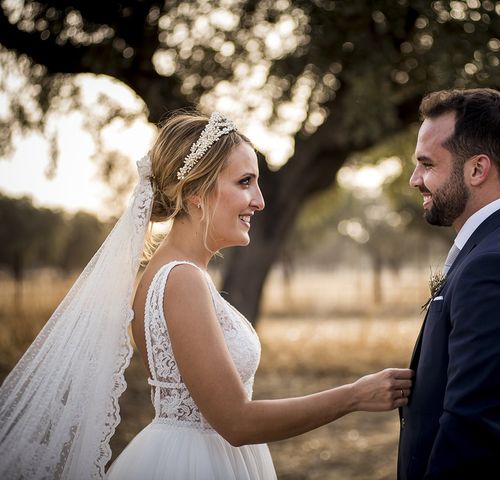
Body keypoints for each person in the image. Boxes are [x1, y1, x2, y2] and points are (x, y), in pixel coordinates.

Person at [0, 111, 413, 479]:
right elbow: (236, 422)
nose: (260, 200)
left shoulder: (169, 273)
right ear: (195, 193)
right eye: (245, 182)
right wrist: (355, 395)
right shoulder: (181, 279)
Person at [397, 89, 500, 480]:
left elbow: (470, 433)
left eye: (427, 164)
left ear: (477, 169)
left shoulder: (496, 266)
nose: (414, 180)